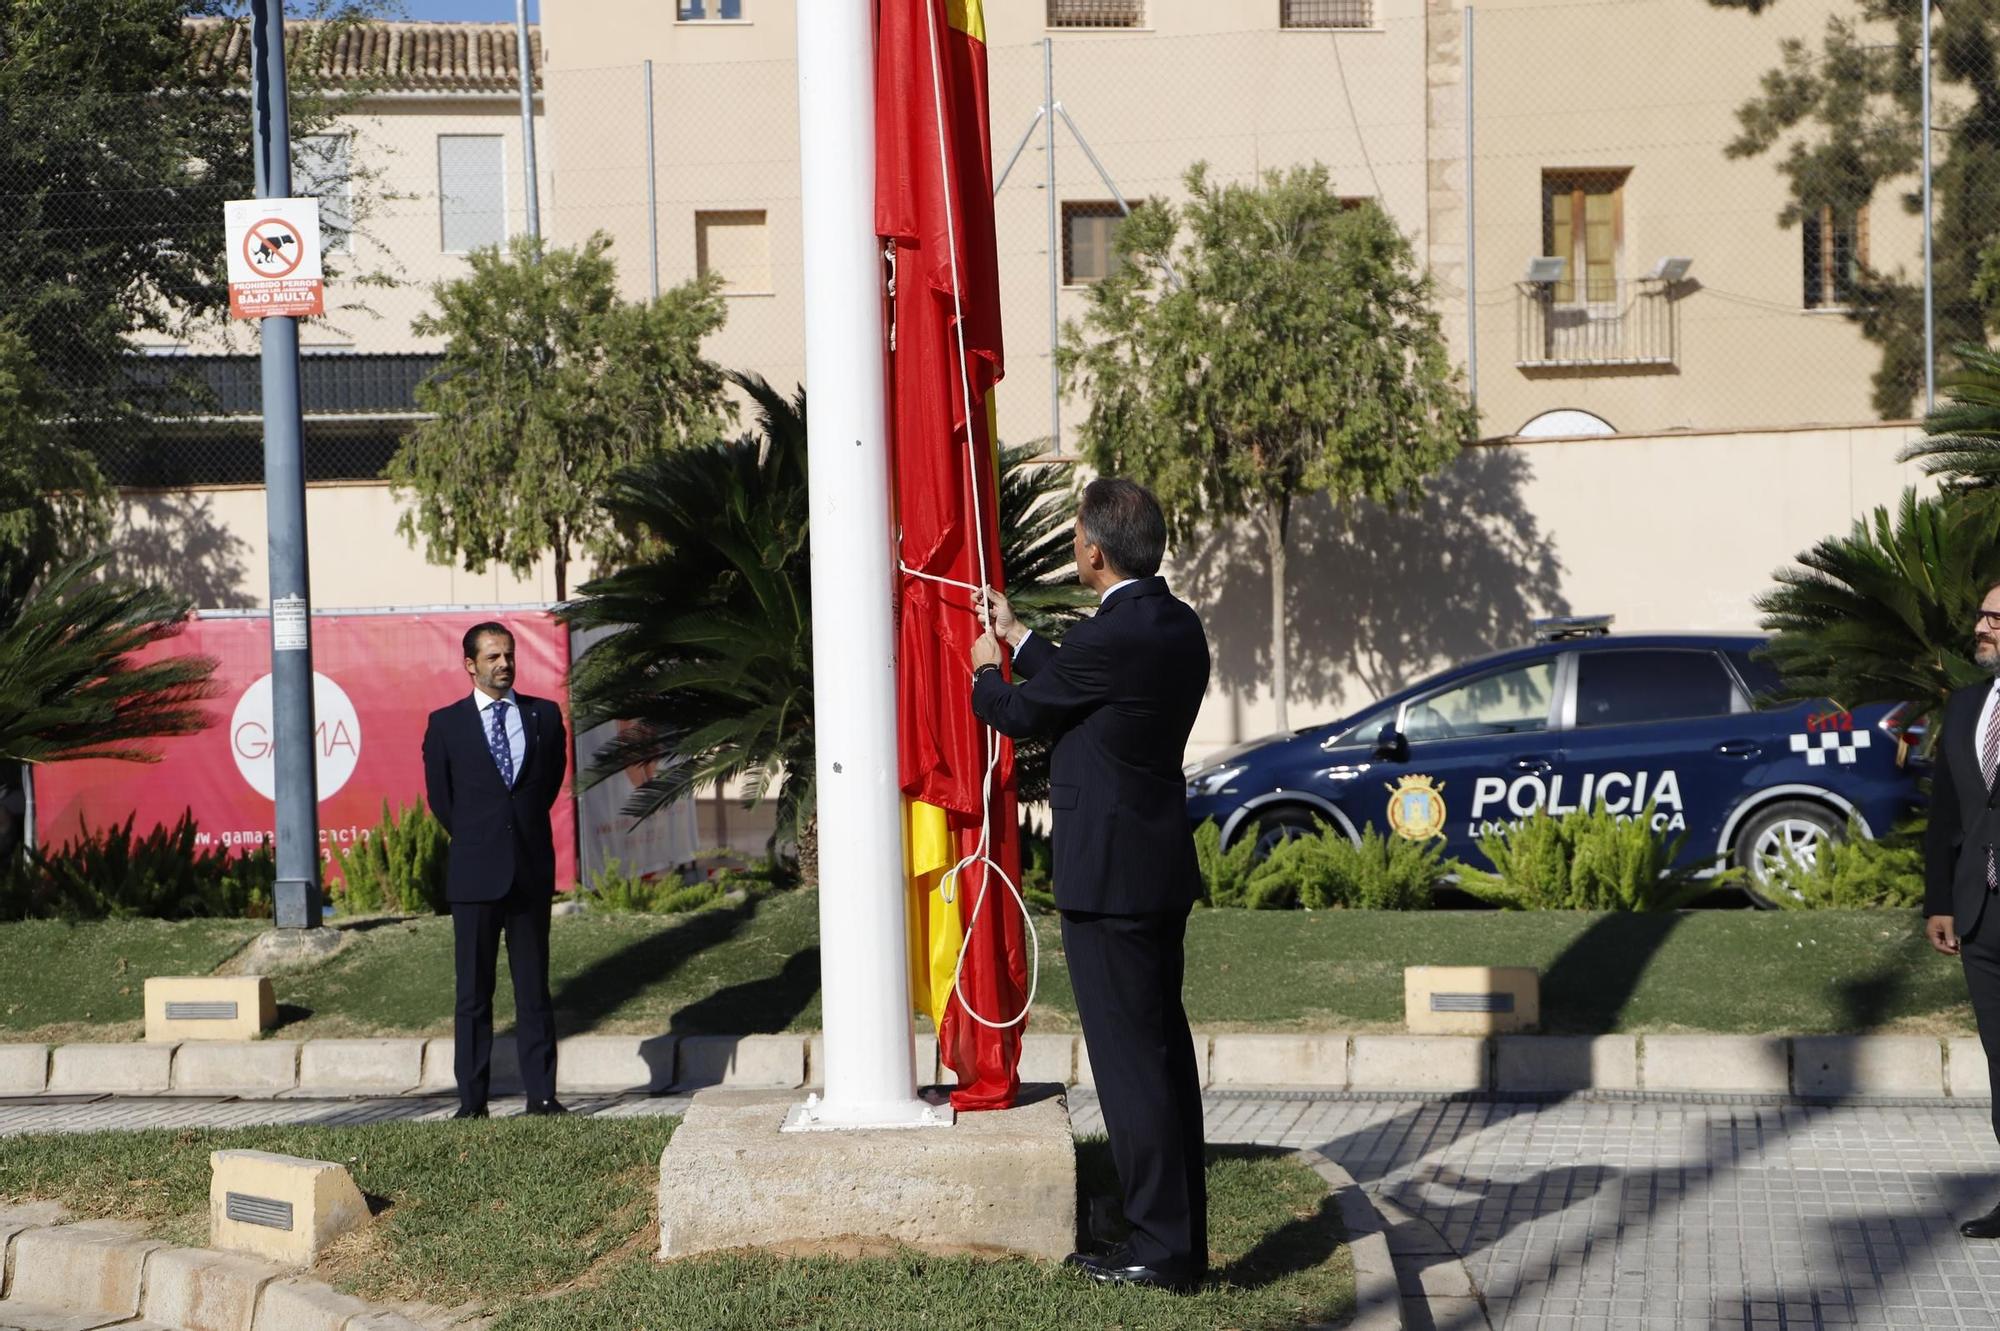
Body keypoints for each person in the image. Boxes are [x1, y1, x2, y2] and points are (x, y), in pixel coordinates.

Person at [969, 478, 1212, 1292]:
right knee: (1164, 1057)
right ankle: (1179, 1235)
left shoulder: (1116, 637)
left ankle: (1157, 1247)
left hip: (1109, 881)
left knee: (1131, 1066)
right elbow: (1083, 681)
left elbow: (1024, 711)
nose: (1074, 546)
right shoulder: (1173, 624)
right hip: (1152, 871)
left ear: (1094, 551)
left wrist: (982, 670)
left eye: (1076, 536)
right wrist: (1020, 632)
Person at [422, 621, 570, 1119]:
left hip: (528, 872)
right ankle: (472, 1102)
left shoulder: (543, 717)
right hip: (474, 875)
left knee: (533, 991)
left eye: (508, 655)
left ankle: (543, 1096)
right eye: (492, 657)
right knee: (473, 994)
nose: (504, 664)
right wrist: (481, 838)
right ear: (470, 664)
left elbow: (545, 788)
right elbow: (443, 802)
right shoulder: (445, 724)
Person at [1927, 578, 2000, 1236]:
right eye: (1981, 612)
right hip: (1982, 912)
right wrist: (1940, 900)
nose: (1982, 626)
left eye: (1997, 618)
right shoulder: (1966, 705)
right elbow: (1945, 811)